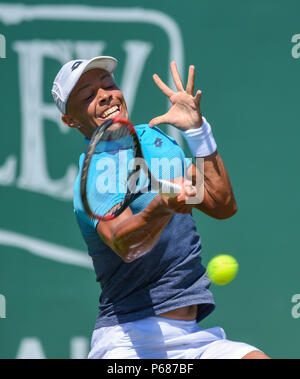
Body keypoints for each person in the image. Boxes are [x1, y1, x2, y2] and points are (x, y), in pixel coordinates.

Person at [51, 56, 270, 359]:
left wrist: (198, 131)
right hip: (129, 341)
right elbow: (126, 244)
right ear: (70, 120)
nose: (105, 96)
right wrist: (163, 206)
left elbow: (221, 204)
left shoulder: (157, 142)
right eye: (89, 96)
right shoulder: (94, 176)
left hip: (193, 337)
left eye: (108, 85)